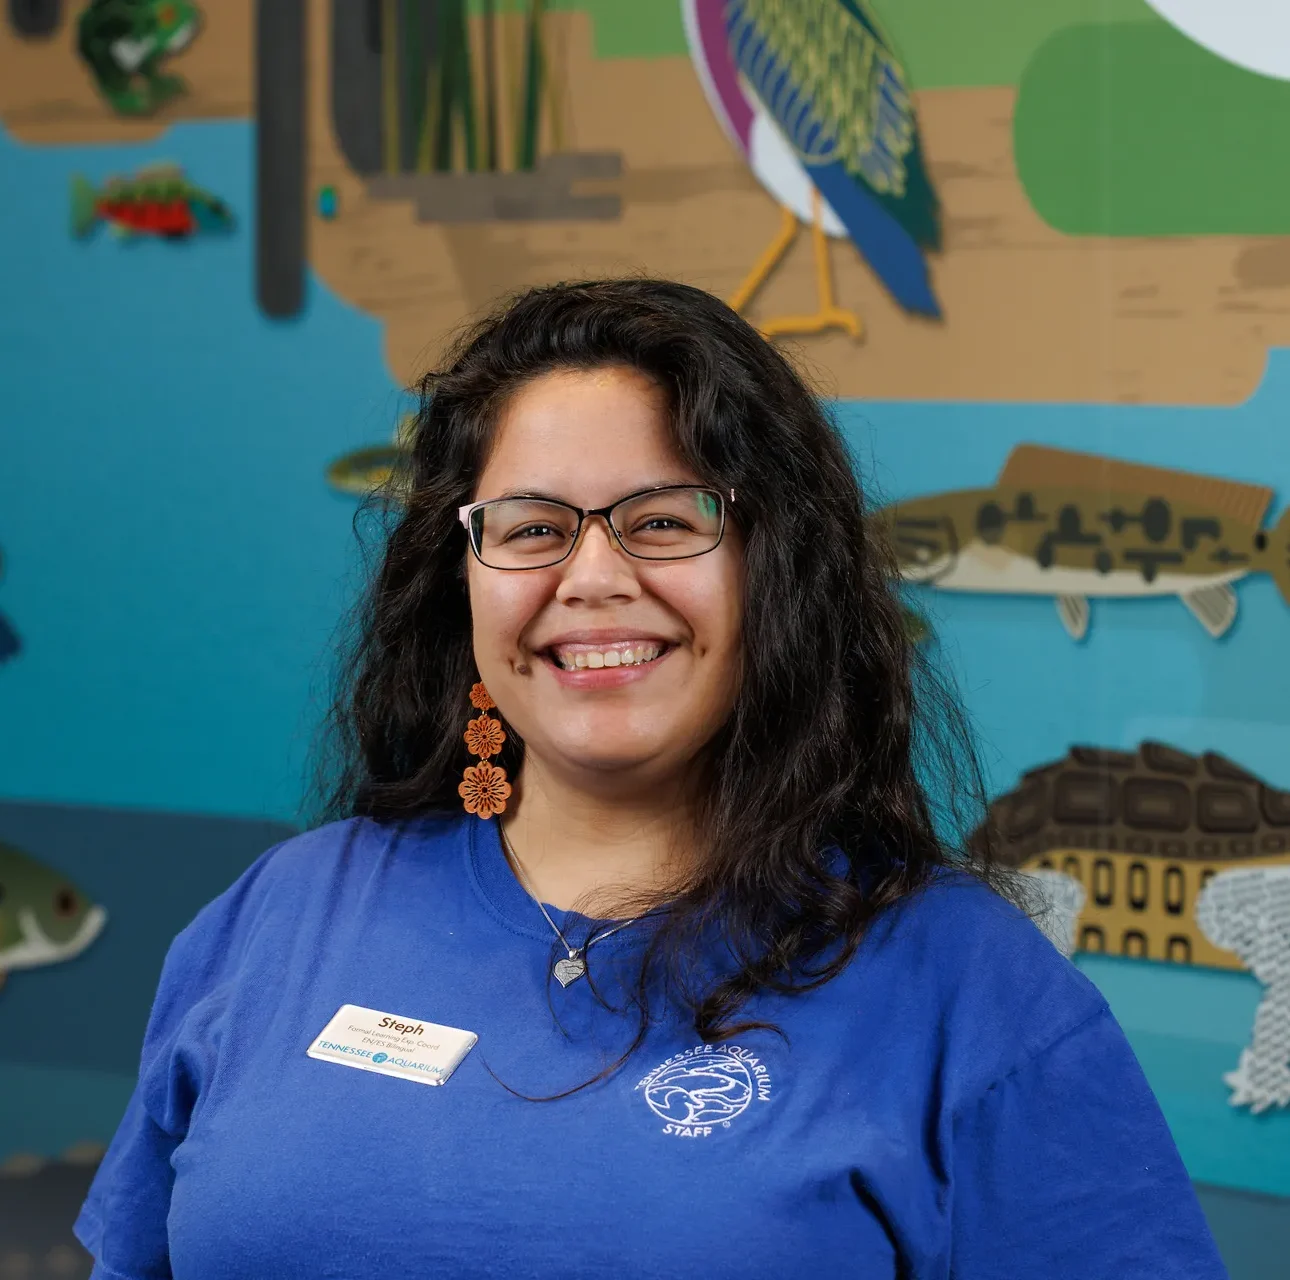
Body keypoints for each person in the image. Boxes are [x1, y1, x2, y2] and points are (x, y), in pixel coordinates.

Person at [75, 279, 1228, 1279]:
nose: (592, 576)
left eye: (664, 519)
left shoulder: (970, 989)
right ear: (458, 581)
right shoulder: (281, 914)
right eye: (530, 528)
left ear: (775, 570)